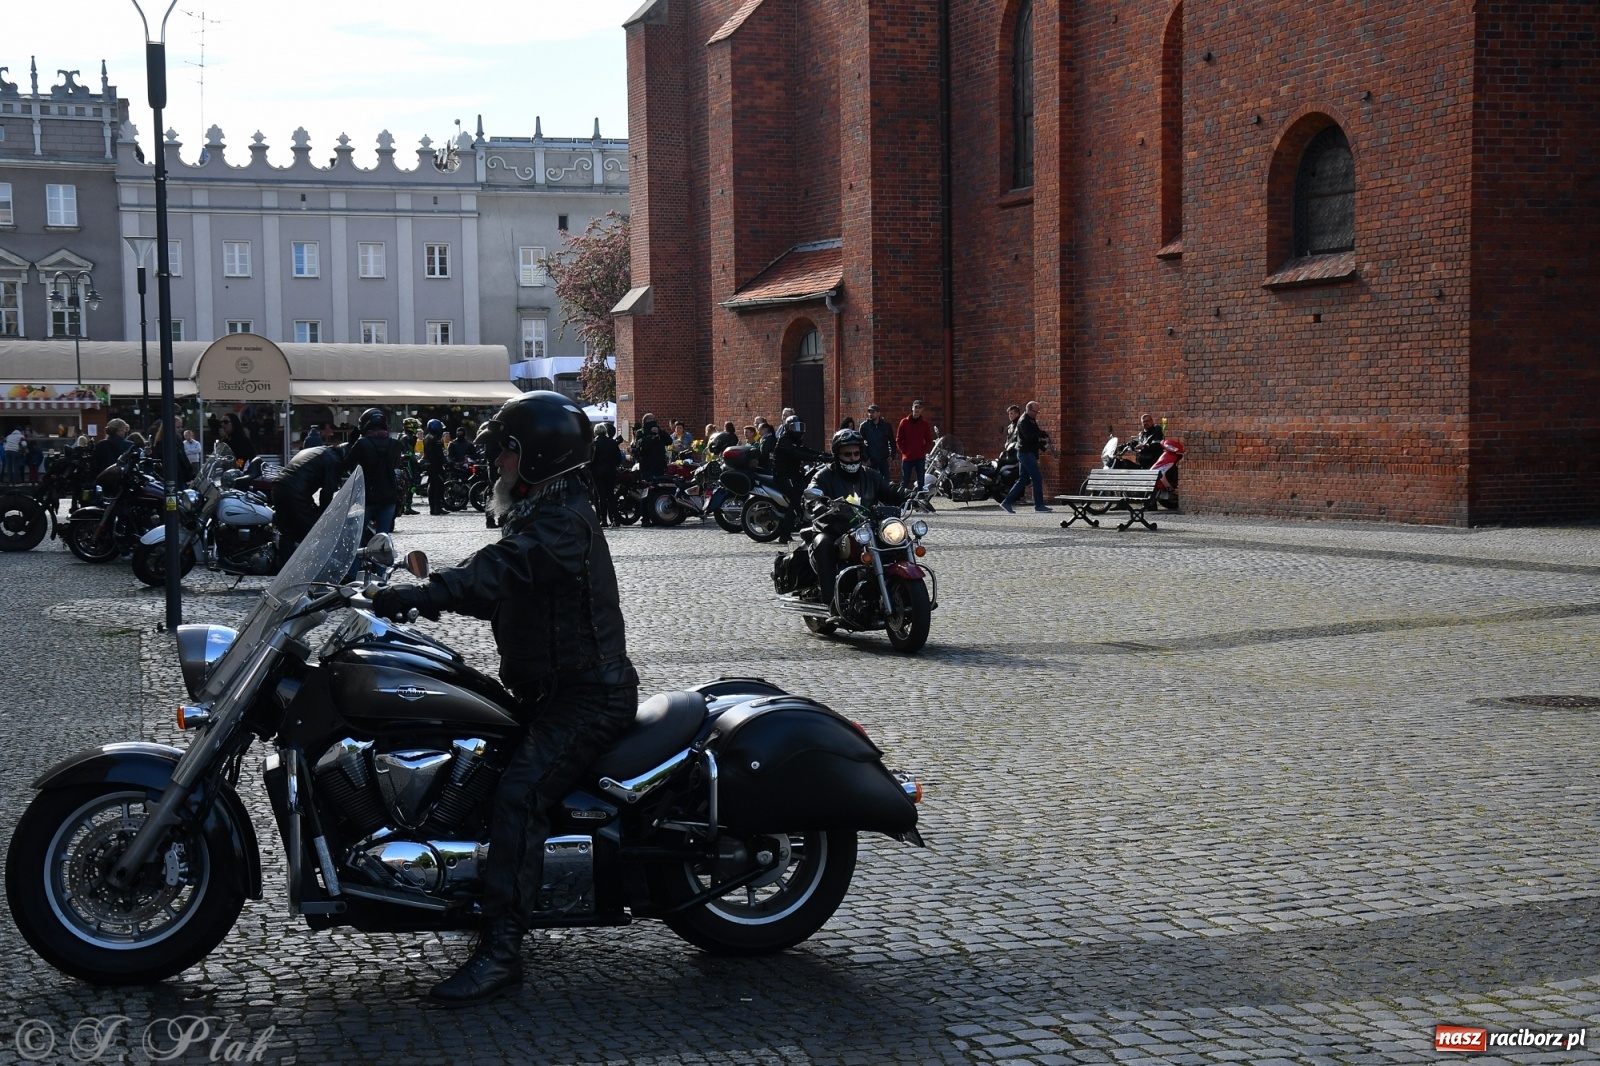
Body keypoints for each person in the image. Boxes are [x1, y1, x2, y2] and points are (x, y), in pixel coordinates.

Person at [370, 391, 638, 1007]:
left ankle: (501, 954)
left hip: (586, 697)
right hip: (549, 690)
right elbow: (498, 583)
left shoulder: (563, 520)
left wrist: (428, 593)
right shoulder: (543, 510)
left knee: (520, 795)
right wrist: (422, 595)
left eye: (506, 451)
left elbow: (504, 570)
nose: (498, 463)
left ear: (539, 455)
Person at [805, 429, 908, 607]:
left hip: (865, 527)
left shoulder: (870, 475)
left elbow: (889, 489)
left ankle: (903, 593)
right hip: (834, 528)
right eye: (847, 454)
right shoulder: (824, 476)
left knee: (896, 542)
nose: (853, 458)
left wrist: (909, 494)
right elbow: (812, 494)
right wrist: (818, 504)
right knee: (823, 544)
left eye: (856, 453)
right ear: (837, 454)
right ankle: (831, 601)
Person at [272, 441, 348, 560]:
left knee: (287, 532)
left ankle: (283, 567)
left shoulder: (319, 450)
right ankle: (314, 565)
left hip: (279, 486)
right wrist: (324, 518)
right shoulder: (334, 460)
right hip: (296, 492)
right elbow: (327, 492)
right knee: (312, 531)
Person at [772, 415, 827, 545]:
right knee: (796, 499)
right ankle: (784, 535)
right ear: (787, 427)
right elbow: (797, 453)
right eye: (795, 427)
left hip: (794, 474)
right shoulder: (784, 440)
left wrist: (823, 455)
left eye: (800, 427)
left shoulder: (795, 441)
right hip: (784, 475)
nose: (798, 430)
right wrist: (816, 457)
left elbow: (804, 450)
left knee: (805, 492)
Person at [344, 409, 401, 535]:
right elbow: (397, 465)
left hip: (367, 495)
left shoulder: (362, 443)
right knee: (383, 536)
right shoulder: (395, 443)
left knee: (357, 534)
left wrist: (351, 442)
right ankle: (381, 554)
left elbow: (347, 464)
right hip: (389, 494)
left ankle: (359, 555)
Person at [1000, 400, 1052, 513]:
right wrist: (1040, 434)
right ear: (1028, 409)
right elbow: (1028, 437)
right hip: (1026, 454)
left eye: (1038, 411)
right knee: (1037, 478)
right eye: (1035, 411)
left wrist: (1042, 436)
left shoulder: (1030, 419)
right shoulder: (1023, 421)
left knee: (1023, 479)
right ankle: (1039, 506)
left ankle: (1007, 502)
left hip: (1027, 453)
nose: (1036, 413)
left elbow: (1035, 433)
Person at [590, 422, 623, 527]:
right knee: (611, 495)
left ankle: (603, 520)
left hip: (597, 472)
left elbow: (590, 460)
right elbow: (618, 458)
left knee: (601, 497)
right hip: (611, 471)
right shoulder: (612, 443)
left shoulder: (594, 444)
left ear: (595, 432)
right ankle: (616, 519)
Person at [896, 400, 934, 493]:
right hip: (907, 457)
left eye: (919, 408)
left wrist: (922, 450)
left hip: (919, 457)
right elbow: (898, 439)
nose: (917, 410)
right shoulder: (904, 422)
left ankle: (920, 499)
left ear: (922, 410)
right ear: (912, 408)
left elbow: (929, 440)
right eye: (915, 407)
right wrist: (904, 451)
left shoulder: (924, 424)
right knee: (905, 481)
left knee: (921, 481)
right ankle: (901, 499)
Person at [859, 404, 895, 480]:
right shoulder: (864, 426)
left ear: (878, 413)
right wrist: (865, 458)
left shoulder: (886, 426)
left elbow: (892, 441)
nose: (870, 414)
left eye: (873, 412)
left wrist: (891, 456)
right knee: (871, 481)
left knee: (886, 481)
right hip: (871, 459)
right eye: (869, 412)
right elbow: (860, 444)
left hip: (883, 458)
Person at [632, 413, 671, 477]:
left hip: (659, 464)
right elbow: (640, 444)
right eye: (651, 419)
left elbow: (669, 441)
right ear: (646, 421)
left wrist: (659, 432)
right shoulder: (641, 432)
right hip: (647, 465)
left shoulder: (659, 430)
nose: (653, 421)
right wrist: (652, 437)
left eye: (654, 419)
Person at [422, 418, 447, 515]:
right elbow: (439, 454)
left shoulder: (427, 437)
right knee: (439, 486)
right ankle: (438, 507)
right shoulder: (436, 439)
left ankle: (432, 508)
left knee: (431, 486)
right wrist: (445, 462)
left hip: (429, 465)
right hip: (436, 465)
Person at [396, 418, 421, 515]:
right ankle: (407, 506)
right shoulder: (407, 438)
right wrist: (417, 462)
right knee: (411, 484)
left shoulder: (404, 436)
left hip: (404, 462)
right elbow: (410, 453)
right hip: (407, 464)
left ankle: (404, 506)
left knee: (408, 485)